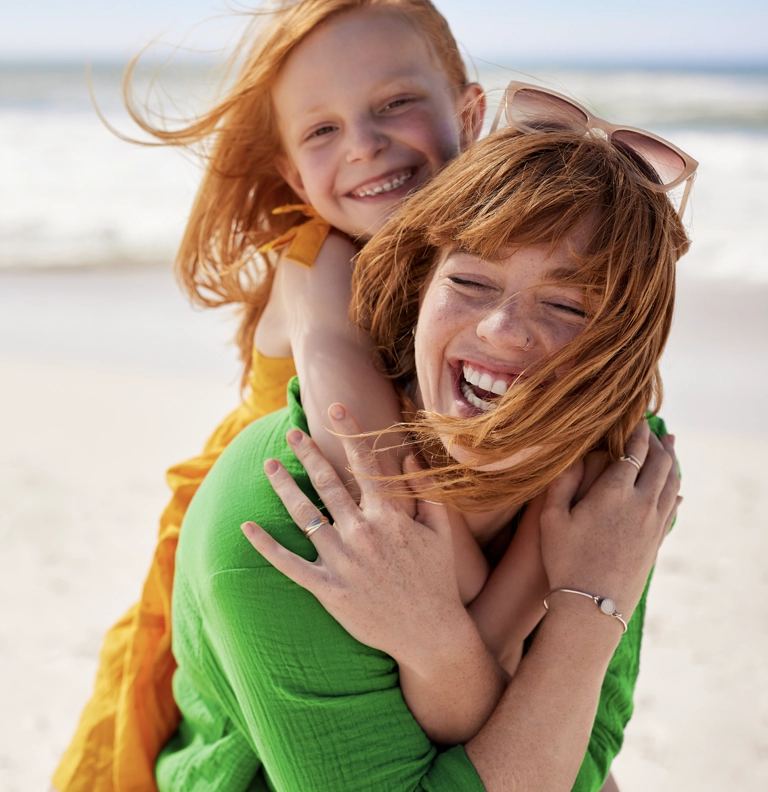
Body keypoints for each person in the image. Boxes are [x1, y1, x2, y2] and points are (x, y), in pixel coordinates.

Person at [52, 0, 488, 792]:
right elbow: (370, 470)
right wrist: (483, 610)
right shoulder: (316, 264)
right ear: (293, 174)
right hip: (287, 540)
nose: (364, 143)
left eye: (396, 102)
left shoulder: (481, 259)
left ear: (467, 111)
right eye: (321, 130)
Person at [155, 121, 692, 791]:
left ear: (623, 353)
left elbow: (584, 769)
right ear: (419, 291)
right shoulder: (284, 516)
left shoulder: (617, 496)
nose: (501, 330)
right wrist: (586, 615)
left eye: (564, 303)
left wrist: (441, 645)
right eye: (470, 282)